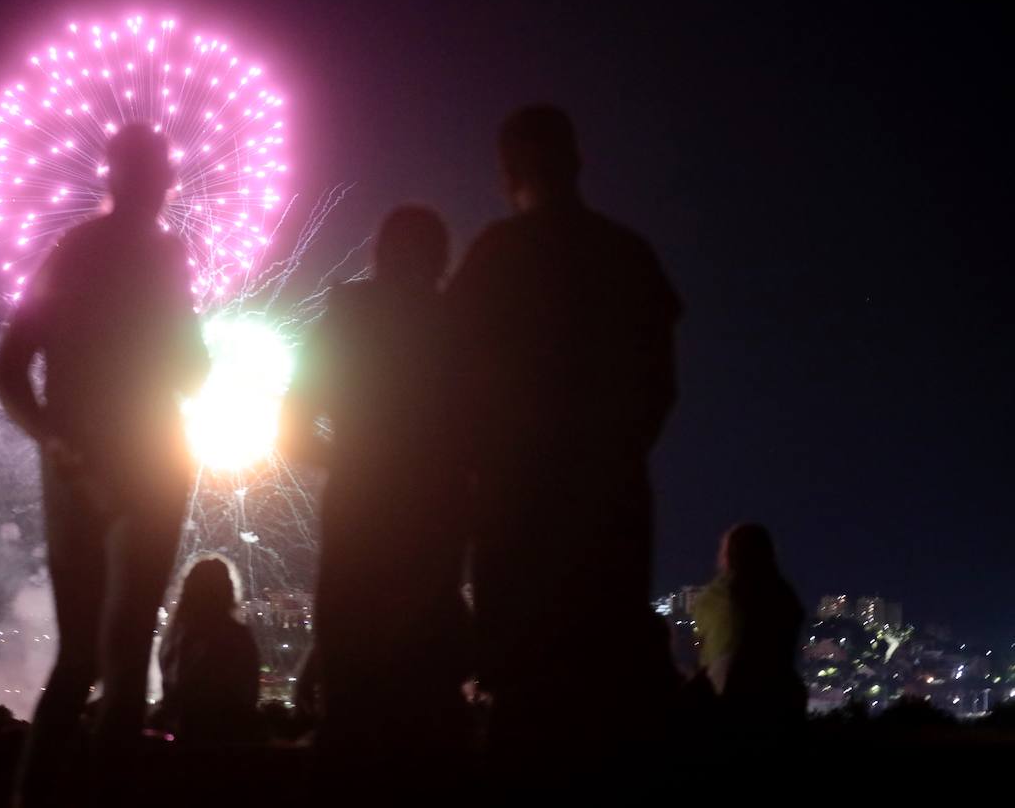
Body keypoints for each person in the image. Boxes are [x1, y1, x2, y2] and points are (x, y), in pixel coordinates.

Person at [446, 104, 681, 750]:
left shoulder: (496, 256)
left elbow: (448, 378)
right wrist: (614, 455)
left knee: (523, 687)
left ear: (509, 170)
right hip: (610, 502)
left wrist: (475, 473)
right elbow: (659, 388)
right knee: (602, 683)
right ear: (576, 161)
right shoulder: (628, 255)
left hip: (515, 503)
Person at [0, 123, 209, 804]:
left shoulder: (70, 252)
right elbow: (193, 371)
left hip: (75, 471)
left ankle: (34, 796)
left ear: (109, 178)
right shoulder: (167, 254)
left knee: (79, 658)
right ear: (164, 183)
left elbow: (7, 371)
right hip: (150, 464)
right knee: (125, 663)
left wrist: (53, 441)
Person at [281, 204, 471, 753]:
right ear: (441, 259)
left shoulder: (345, 316)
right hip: (438, 521)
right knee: (430, 693)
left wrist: (351, 463)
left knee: (352, 694)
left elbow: (291, 427)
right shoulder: (459, 326)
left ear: (379, 254)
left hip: (358, 517)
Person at [691, 523, 806, 727]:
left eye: (723, 550)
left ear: (729, 556)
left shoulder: (720, 596)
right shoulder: (785, 598)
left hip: (726, 701)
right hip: (779, 701)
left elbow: (703, 630)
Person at [157, 554, 263, 746]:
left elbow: (169, 693)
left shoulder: (174, 637)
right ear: (228, 590)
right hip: (229, 737)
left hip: (183, 734)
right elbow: (249, 693)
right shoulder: (237, 636)